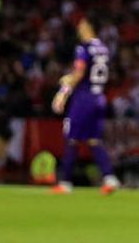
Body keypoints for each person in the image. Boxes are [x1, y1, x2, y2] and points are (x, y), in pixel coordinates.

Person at [51, 18, 120, 195]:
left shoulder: (84, 48)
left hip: (84, 99)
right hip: (99, 98)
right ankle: (110, 178)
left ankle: (65, 183)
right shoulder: (104, 49)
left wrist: (63, 93)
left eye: (82, 26)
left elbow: (79, 73)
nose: (79, 29)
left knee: (71, 138)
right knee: (93, 140)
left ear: (89, 28)